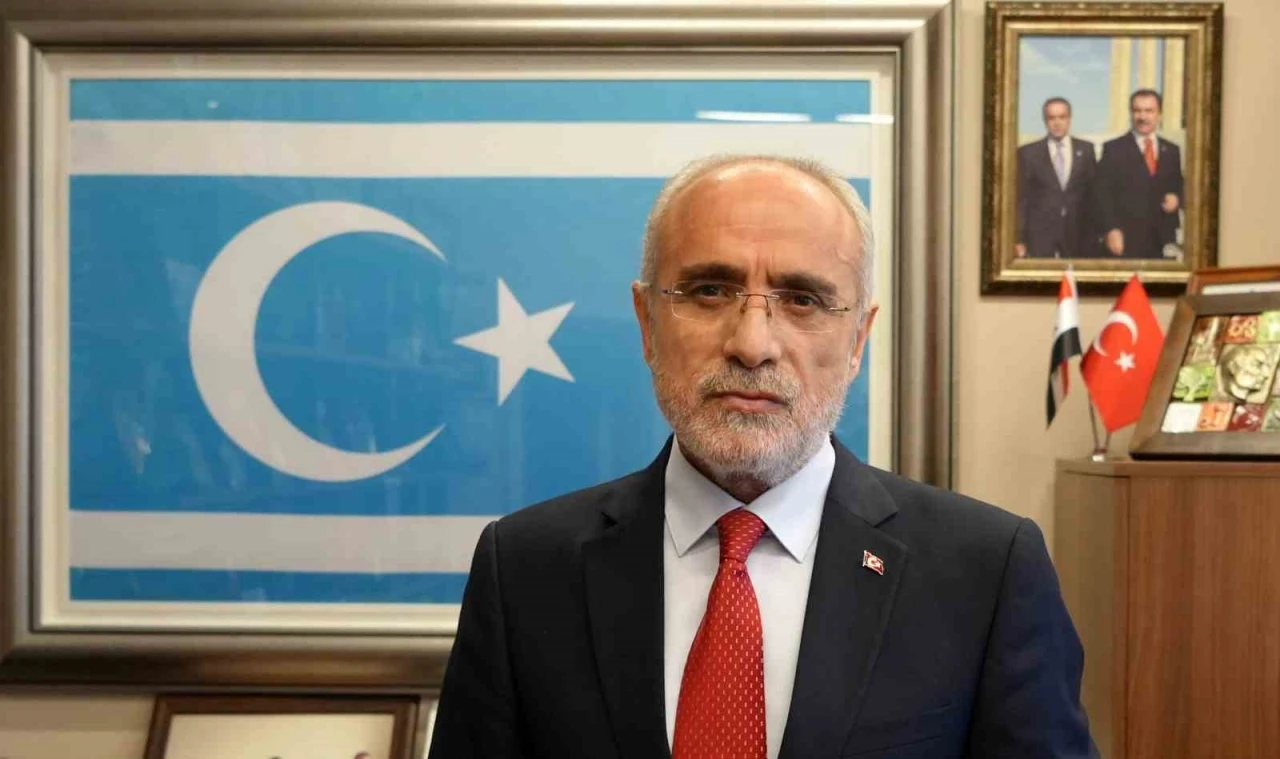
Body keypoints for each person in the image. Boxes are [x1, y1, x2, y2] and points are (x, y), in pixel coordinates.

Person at [429, 154, 1098, 759]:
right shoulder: (523, 570)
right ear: (647, 323)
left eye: (802, 299)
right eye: (709, 291)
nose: (752, 344)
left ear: (858, 338)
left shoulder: (987, 573)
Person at [1097, 89, 1184, 259]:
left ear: (1159, 114)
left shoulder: (1172, 150)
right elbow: (1101, 194)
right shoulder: (1114, 149)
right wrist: (1111, 229)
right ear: (1131, 113)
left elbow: (1179, 184)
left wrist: (1177, 198)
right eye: (1137, 111)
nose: (1142, 117)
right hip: (1126, 242)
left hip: (1164, 242)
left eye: (1149, 111)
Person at [1016, 97, 1099, 258]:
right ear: (1045, 121)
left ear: (1069, 119)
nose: (1057, 123)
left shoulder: (1086, 150)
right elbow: (1021, 199)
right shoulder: (1028, 153)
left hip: (1078, 233)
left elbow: (1093, 194)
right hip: (1040, 236)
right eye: (1052, 118)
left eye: (1062, 117)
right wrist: (1019, 239)